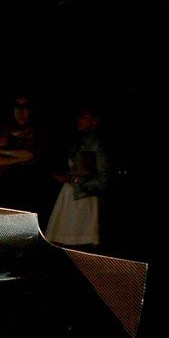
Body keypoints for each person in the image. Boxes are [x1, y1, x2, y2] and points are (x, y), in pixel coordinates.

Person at [45, 105, 110, 249]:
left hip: (85, 202)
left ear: (95, 121)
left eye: (84, 117)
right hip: (73, 198)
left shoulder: (98, 145)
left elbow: (104, 180)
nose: (79, 120)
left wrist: (73, 181)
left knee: (80, 244)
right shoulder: (81, 142)